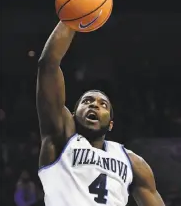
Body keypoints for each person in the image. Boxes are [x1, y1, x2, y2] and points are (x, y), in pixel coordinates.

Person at [36, 21, 165, 206]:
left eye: (103, 104)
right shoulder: (61, 138)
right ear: (73, 114)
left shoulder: (133, 162)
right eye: (87, 101)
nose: (94, 105)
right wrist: (71, 17)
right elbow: (48, 64)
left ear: (111, 123)